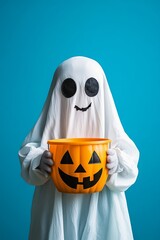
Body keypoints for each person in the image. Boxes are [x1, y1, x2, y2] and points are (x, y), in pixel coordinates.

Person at [18, 56, 139, 240]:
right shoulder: (43, 133)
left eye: (91, 89)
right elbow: (29, 152)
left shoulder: (113, 132)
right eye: (69, 89)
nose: (80, 99)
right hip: (54, 207)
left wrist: (117, 163)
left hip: (103, 209)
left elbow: (130, 161)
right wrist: (38, 161)